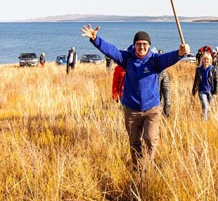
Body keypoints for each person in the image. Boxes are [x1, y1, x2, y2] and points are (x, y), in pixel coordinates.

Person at [80, 24, 190, 169]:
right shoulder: (127, 59)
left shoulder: (155, 60)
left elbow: (169, 58)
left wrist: (180, 53)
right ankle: (138, 169)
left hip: (152, 109)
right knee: (134, 142)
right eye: (138, 44)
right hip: (131, 110)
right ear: (134, 45)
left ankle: (146, 165)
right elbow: (111, 50)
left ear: (149, 46)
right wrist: (95, 39)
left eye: (145, 44)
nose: (142, 47)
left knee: (150, 139)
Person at [192, 52, 218, 120]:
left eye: (207, 59)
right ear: (202, 60)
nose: (206, 61)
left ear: (210, 60)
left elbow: (216, 81)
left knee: (209, 107)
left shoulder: (213, 69)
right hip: (202, 91)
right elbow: (196, 81)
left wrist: (215, 93)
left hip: (211, 92)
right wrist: (194, 91)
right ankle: (204, 121)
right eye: (204, 59)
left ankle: (207, 120)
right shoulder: (198, 69)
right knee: (205, 105)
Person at [157, 49, 171, 117]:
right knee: (158, 98)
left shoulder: (165, 71)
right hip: (158, 75)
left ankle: (166, 114)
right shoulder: (155, 66)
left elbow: (166, 88)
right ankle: (158, 115)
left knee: (167, 99)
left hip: (164, 75)